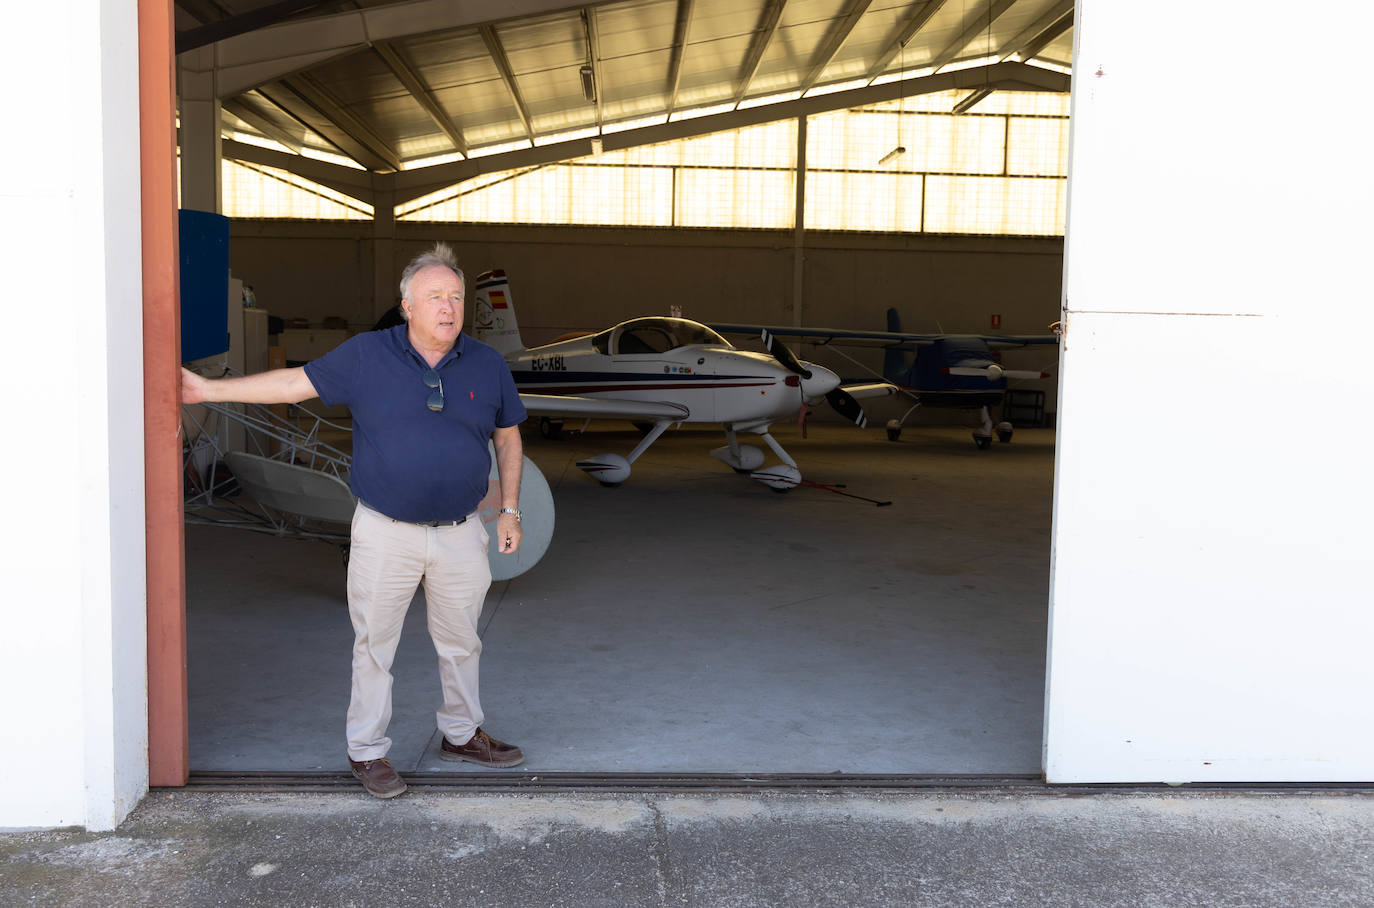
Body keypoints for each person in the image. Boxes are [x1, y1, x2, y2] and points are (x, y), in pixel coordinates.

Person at [181, 242, 528, 799]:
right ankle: (367, 751)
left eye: (457, 297)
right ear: (408, 305)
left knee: (462, 641)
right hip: (385, 531)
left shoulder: (486, 365)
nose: (449, 307)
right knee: (375, 644)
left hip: (463, 531)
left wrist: (509, 509)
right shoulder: (367, 355)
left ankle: (461, 734)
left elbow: (508, 435)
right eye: (435, 297)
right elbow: (294, 382)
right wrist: (207, 390)